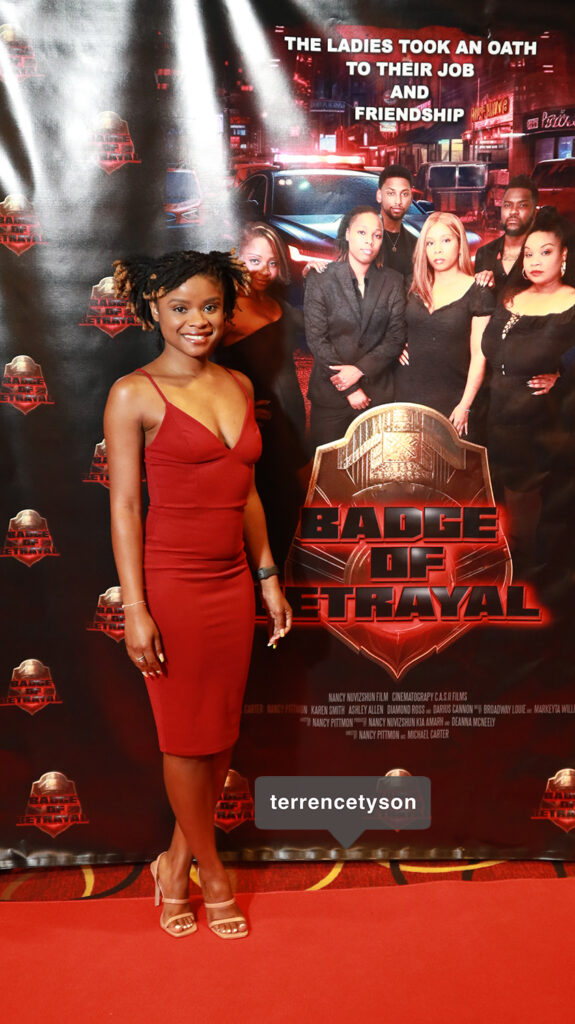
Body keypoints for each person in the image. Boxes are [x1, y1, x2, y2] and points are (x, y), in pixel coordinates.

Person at [103, 250, 292, 939]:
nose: (197, 320)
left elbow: (247, 494)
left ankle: (174, 862)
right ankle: (211, 875)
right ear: (152, 310)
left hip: (231, 582)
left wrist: (267, 575)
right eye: (179, 307)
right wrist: (136, 608)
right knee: (185, 741)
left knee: (220, 737)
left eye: (210, 306)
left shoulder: (238, 384)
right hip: (172, 586)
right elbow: (125, 507)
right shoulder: (134, 393)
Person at [479, 207, 575, 567]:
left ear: (564, 255)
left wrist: (563, 380)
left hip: (533, 424)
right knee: (493, 506)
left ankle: (523, 578)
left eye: (546, 252)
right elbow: (491, 349)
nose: (535, 261)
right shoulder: (512, 296)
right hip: (494, 416)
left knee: (521, 514)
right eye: (528, 253)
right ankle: (500, 572)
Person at [215, 223, 308, 566]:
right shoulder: (226, 310)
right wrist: (239, 409)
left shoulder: (275, 303)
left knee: (294, 515)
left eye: (272, 263)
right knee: (265, 519)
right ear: (236, 259)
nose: (264, 271)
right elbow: (199, 370)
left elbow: (320, 330)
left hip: (294, 427)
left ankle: (277, 591)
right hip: (261, 433)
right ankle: (261, 592)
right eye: (254, 261)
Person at [304, 205, 406, 449]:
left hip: (377, 394)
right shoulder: (320, 278)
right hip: (330, 397)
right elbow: (317, 340)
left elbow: (395, 337)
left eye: (377, 235)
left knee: (376, 467)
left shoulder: (393, 280)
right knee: (329, 468)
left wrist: (360, 370)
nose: (369, 241)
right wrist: (349, 389)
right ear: (348, 234)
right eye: (362, 232)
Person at [396, 211, 494, 439]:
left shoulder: (478, 292)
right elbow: (391, 325)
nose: (437, 249)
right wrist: (396, 346)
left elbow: (479, 357)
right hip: (408, 394)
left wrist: (465, 405)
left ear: (460, 245)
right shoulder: (412, 285)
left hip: (454, 400)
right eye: (430, 243)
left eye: (446, 240)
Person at [474, 175, 538, 297]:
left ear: (534, 213)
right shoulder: (485, 253)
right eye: (508, 205)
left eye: (522, 205)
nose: (513, 211)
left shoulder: (542, 255)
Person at [376, 163, 417, 278]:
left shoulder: (416, 244)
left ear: (411, 198)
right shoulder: (366, 240)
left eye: (404, 194)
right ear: (379, 195)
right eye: (391, 193)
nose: (398, 201)